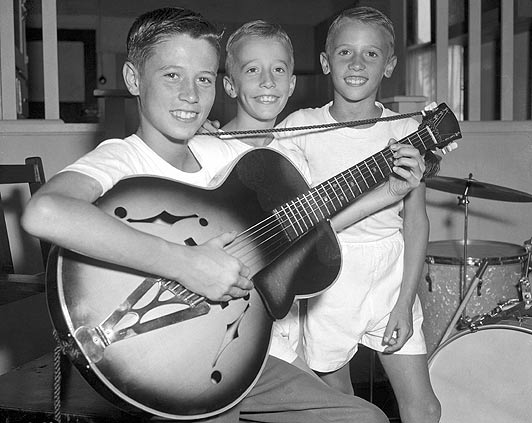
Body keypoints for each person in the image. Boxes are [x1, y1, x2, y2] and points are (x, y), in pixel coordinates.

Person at [21, 7, 398, 423]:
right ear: (133, 79)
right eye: (171, 75)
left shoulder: (220, 152)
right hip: (166, 363)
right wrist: (186, 264)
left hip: (236, 352)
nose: (191, 95)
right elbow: (45, 211)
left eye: (203, 78)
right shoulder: (121, 158)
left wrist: (388, 191)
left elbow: (294, 224)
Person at [189, 19, 429, 377]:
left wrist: (390, 193)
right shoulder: (229, 145)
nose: (267, 81)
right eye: (252, 70)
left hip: (292, 303)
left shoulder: (292, 154)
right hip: (239, 314)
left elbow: (312, 224)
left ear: (292, 83)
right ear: (230, 84)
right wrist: (198, 128)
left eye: (278, 70)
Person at [275, 6, 442, 423]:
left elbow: (416, 221)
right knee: (344, 409)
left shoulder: (405, 130)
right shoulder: (299, 127)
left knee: (425, 408)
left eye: (371, 54)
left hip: (391, 272)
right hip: (328, 277)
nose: (356, 63)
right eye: (345, 52)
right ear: (326, 62)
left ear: (389, 66)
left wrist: (405, 303)